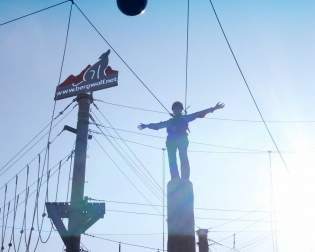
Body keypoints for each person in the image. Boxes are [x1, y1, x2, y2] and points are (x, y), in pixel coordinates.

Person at [138, 101, 225, 180]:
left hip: (181, 139)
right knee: (172, 159)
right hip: (171, 141)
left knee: (183, 158)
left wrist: (213, 108)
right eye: (175, 109)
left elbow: (199, 114)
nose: (176, 110)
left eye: (178, 109)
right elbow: (158, 125)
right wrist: (146, 125)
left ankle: (185, 178)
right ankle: (175, 178)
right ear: (173, 111)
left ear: (181, 110)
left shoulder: (184, 118)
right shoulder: (170, 121)